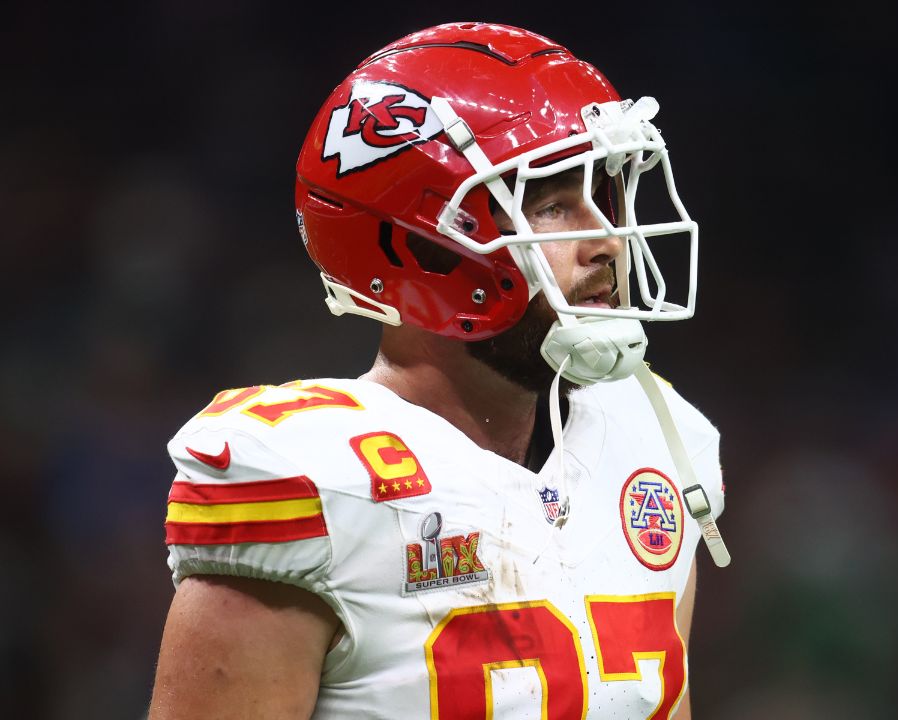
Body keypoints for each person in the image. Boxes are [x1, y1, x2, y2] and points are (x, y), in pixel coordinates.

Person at [148, 21, 728, 719]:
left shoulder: (652, 441)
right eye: (549, 206)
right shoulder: (309, 478)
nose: (605, 239)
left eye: (601, 197)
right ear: (422, 248)